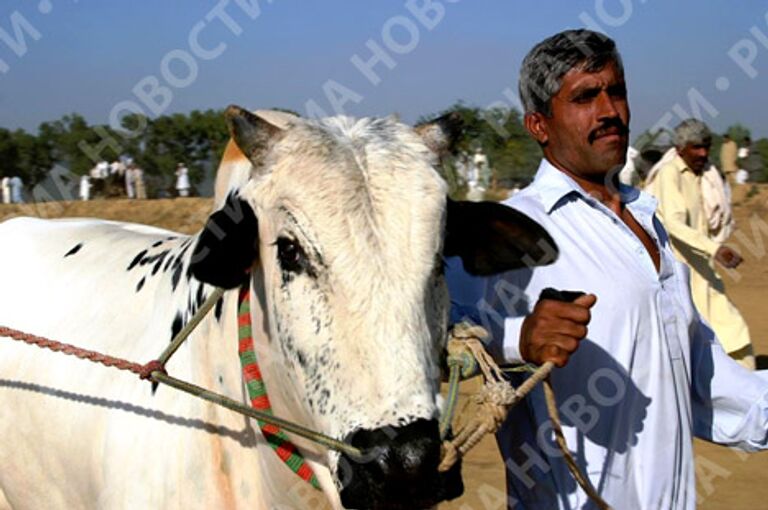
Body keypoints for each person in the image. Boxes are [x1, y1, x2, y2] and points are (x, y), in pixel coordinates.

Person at [449, 29, 768, 509]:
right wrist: (518, 338)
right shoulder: (513, 230)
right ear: (539, 125)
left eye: (615, 92)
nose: (609, 112)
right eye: (584, 98)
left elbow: (704, 379)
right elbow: (418, 337)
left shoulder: (645, 220)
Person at [645, 119, 755, 369]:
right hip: (683, 273)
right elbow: (673, 224)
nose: (703, 153)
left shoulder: (705, 175)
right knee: (713, 334)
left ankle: (749, 388)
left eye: (706, 147)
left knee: (729, 331)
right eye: (696, 147)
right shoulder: (670, 174)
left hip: (703, 271)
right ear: (681, 148)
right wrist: (715, 249)